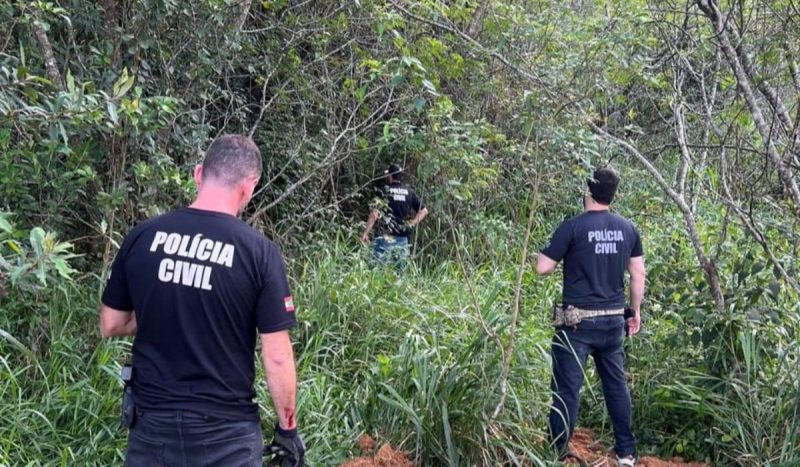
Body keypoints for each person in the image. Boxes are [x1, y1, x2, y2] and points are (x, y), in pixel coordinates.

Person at [99, 135, 305, 467]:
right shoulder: (258, 253)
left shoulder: (143, 236)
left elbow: (111, 323)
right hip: (227, 435)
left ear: (198, 174)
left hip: (152, 428)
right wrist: (288, 430)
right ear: (249, 186)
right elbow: (277, 357)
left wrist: (161, 303)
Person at [535, 167, 645, 467]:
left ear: (587, 190)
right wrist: (634, 312)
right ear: (613, 194)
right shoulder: (628, 228)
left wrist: (548, 252)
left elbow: (542, 268)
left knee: (566, 389)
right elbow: (638, 275)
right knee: (615, 386)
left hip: (576, 323)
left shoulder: (571, 227)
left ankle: (556, 453)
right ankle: (626, 453)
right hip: (612, 321)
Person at [360, 164, 428, 270]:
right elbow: (424, 211)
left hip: (386, 237)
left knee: (378, 272)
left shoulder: (384, 191)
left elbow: (374, 214)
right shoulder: (409, 192)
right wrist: (413, 223)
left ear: (390, 176)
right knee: (400, 275)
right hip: (402, 238)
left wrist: (365, 233)